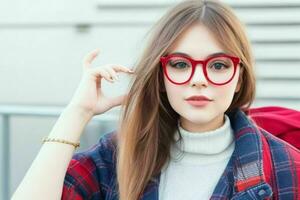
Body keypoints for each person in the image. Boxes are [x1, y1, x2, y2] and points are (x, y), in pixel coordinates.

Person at [11, 0, 300, 200]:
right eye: (180, 64)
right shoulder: (117, 158)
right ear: (160, 77)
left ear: (239, 78)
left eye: (219, 65)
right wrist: (77, 112)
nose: (198, 79)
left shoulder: (285, 167)